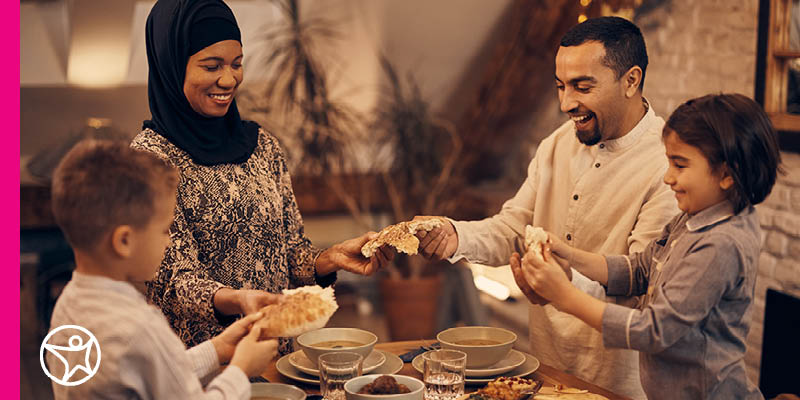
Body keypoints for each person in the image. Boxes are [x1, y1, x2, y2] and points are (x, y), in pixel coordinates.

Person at [415, 17, 678, 398]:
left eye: (582, 87)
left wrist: (563, 283)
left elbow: (644, 290)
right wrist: (455, 236)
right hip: (545, 370)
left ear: (631, 81)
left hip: (618, 383)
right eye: (560, 86)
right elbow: (512, 230)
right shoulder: (555, 145)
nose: (565, 103)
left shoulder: (668, 165)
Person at [131, 0, 392, 355]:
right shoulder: (149, 159)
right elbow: (171, 282)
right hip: (198, 367)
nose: (229, 79)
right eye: (211, 66)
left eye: (237, 64)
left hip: (273, 358)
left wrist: (329, 259)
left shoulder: (262, 146)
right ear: (171, 66)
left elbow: (290, 252)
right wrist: (237, 299)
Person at [519, 93, 780, 399]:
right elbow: (641, 268)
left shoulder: (721, 244)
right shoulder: (693, 217)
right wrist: (569, 255)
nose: (668, 177)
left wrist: (565, 297)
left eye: (680, 165)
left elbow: (654, 331)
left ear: (726, 173)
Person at [47, 140, 278, 399]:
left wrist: (218, 349)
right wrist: (240, 369)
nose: (169, 241)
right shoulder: (140, 327)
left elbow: (150, 372)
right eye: (164, 230)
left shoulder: (67, 305)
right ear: (124, 241)